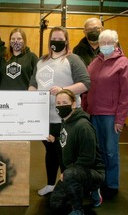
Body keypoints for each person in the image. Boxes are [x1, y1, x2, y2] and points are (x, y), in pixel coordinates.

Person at [28, 26, 90, 196]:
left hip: (65, 118)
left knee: (65, 155)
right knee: (50, 151)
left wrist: (63, 89)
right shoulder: (41, 61)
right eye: (53, 38)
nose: (56, 41)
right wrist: (31, 94)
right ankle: (50, 184)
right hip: (45, 118)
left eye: (59, 38)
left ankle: (68, 188)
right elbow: (33, 83)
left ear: (66, 40)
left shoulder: (73, 59)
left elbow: (85, 83)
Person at [82, 29, 128, 199]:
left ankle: (112, 184)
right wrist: (85, 110)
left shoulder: (123, 63)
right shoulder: (95, 63)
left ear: (116, 44)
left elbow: (125, 94)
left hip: (110, 116)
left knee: (110, 151)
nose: (105, 46)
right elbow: (87, 88)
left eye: (109, 43)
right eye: (102, 43)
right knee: (97, 152)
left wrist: (120, 119)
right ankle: (99, 182)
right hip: (93, 114)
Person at [50, 89, 105, 215]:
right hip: (75, 171)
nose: (61, 105)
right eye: (58, 103)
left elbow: (88, 159)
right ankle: (82, 188)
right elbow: (68, 139)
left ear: (74, 104)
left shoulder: (83, 126)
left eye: (65, 102)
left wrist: (68, 173)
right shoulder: (66, 121)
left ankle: (78, 210)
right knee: (55, 204)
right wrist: (56, 139)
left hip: (93, 171)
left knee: (69, 175)